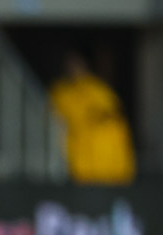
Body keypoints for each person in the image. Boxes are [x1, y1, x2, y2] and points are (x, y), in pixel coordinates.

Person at [48, 50, 136, 185]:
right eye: (71, 66)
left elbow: (111, 112)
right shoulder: (62, 92)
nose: (75, 69)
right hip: (81, 167)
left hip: (110, 173)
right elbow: (55, 115)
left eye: (78, 65)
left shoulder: (98, 90)